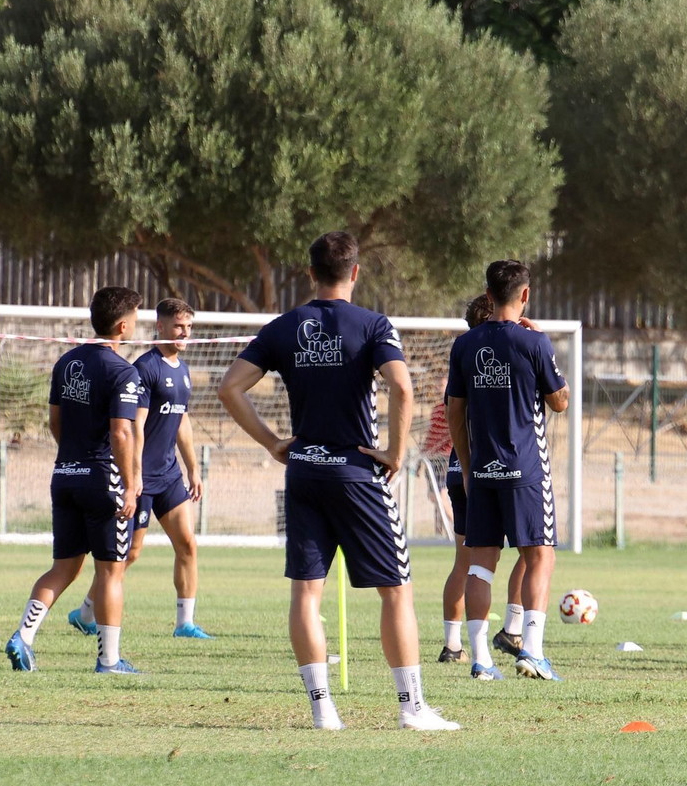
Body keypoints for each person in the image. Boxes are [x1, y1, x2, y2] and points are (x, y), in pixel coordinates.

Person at [218, 231, 457, 730]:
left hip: (304, 471)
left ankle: (322, 709)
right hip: (356, 475)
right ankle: (412, 709)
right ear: (354, 273)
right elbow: (402, 386)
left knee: (306, 594)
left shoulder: (284, 326)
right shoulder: (372, 325)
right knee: (396, 591)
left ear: (310, 274)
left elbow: (229, 388)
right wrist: (392, 452)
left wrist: (271, 442)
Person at [6, 287, 144, 674]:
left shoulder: (66, 362)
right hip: (103, 481)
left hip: (64, 475)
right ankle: (109, 660)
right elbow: (121, 434)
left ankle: (23, 637)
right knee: (110, 571)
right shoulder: (123, 371)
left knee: (63, 567)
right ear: (122, 325)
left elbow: (55, 420)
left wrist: (72, 457)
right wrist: (131, 481)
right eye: (135, 317)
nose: (137, 323)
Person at [446, 260, 571, 682]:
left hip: (482, 470)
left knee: (481, 563)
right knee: (540, 556)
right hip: (525, 469)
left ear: (488, 293)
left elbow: (454, 411)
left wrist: (466, 466)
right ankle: (531, 652)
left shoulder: (465, 345)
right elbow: (560, 402)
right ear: (525, 295)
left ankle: (480, 660)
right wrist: (543, 348)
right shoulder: (534, 343)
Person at [70, 298, 210, 640]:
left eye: (189, 327)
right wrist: (135, 478)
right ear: (160, 327)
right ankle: (86, 611)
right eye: (178, 326)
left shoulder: (184, 370)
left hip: (170, 475)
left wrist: (193, 468)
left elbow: (182, 421)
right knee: (128, 553)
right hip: (143, 478)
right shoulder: (145, 369)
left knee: (188, 545)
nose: (184, 333)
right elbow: (134, 427)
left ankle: (184, 624)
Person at [432, 294, 497, 663]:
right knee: (530, 553)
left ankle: (451, 644)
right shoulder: (494, 364)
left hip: (458, 467)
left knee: (463, 561)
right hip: (487, 471)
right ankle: (513, 635)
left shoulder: (461, 362)